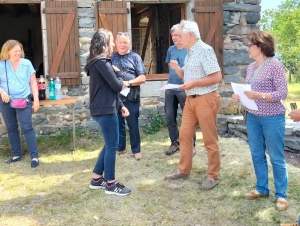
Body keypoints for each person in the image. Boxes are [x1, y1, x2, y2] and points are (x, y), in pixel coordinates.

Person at [232, 30, 289, 211]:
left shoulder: (275, 65)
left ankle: (281, 195)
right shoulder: (251, 67)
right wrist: (239, 96)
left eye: (250, 45)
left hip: (273, 117)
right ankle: (261, 188)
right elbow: (249, 90)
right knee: (257, 154)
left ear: (261, 46)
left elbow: (282, 93)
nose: (247, 48)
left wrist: (260, 95)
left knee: (276, 157)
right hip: (253, 117)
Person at [164, 20, 222, 190]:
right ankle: (183, 170)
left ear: (190, 34)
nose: (178, 39)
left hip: (206, 98)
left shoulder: (204, 50)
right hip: (191, 99)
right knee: (184, 135)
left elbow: (217, 77)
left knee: (210, 140)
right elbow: (186, 76)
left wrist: (193, 83)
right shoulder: (189, 52)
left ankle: (213, 176)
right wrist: (176, 68)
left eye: (180, 35)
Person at [85, 29, 131, 196]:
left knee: (109, 144)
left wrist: (120, 105)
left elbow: (108, 90)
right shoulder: (102, 63)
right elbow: (117, 86)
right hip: (104, 110)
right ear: (104, 43)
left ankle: (97, 179)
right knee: (113, 146)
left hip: (105, 107)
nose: (113, 44)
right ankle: (111, 183)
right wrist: (119, 74)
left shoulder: (100, 63)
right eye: (111, 41)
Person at [0, 40, 40, 168]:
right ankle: (16, 155)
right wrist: (2, 91)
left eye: (19, 50)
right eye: (15, 51)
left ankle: (34, 157)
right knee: (11, 127)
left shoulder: (26, 63)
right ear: (8, 51)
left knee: (27, 127)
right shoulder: (2, 65)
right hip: (6, 101)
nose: (18, 53)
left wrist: (36, 100)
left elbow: (33, 82)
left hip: (23, 99)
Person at [111, 32, 146, 160]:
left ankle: (136, 150)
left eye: (125, 42)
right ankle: (120, 148)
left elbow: (143, 77)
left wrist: (128, 82)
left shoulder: (135, 57)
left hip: (131, 97)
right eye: (120, 42)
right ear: (115, 43)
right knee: (117, 124)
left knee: (133, 125)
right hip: (116, 97)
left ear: (129, 43)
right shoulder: (111, 58)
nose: (122, 45)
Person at [164, 24, 197, 156]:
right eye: (173, 35)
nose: (175, 37)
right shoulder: (171, 50)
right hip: (170, 87)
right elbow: (169, 66)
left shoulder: (189, 49)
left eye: (177, 35)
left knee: (188, 118)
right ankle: (174, 143)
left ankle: (191, 144)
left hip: (184, 88)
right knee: (170, 116)